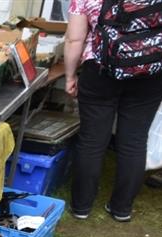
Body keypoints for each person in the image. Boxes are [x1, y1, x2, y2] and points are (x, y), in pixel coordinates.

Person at [64, 0, 162, 222]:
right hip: (150, 72)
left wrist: (70, 75)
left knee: (92, 140)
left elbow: (74, 39)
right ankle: (121, 209)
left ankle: (81, 207)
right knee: (135, 141)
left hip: (100, 70)